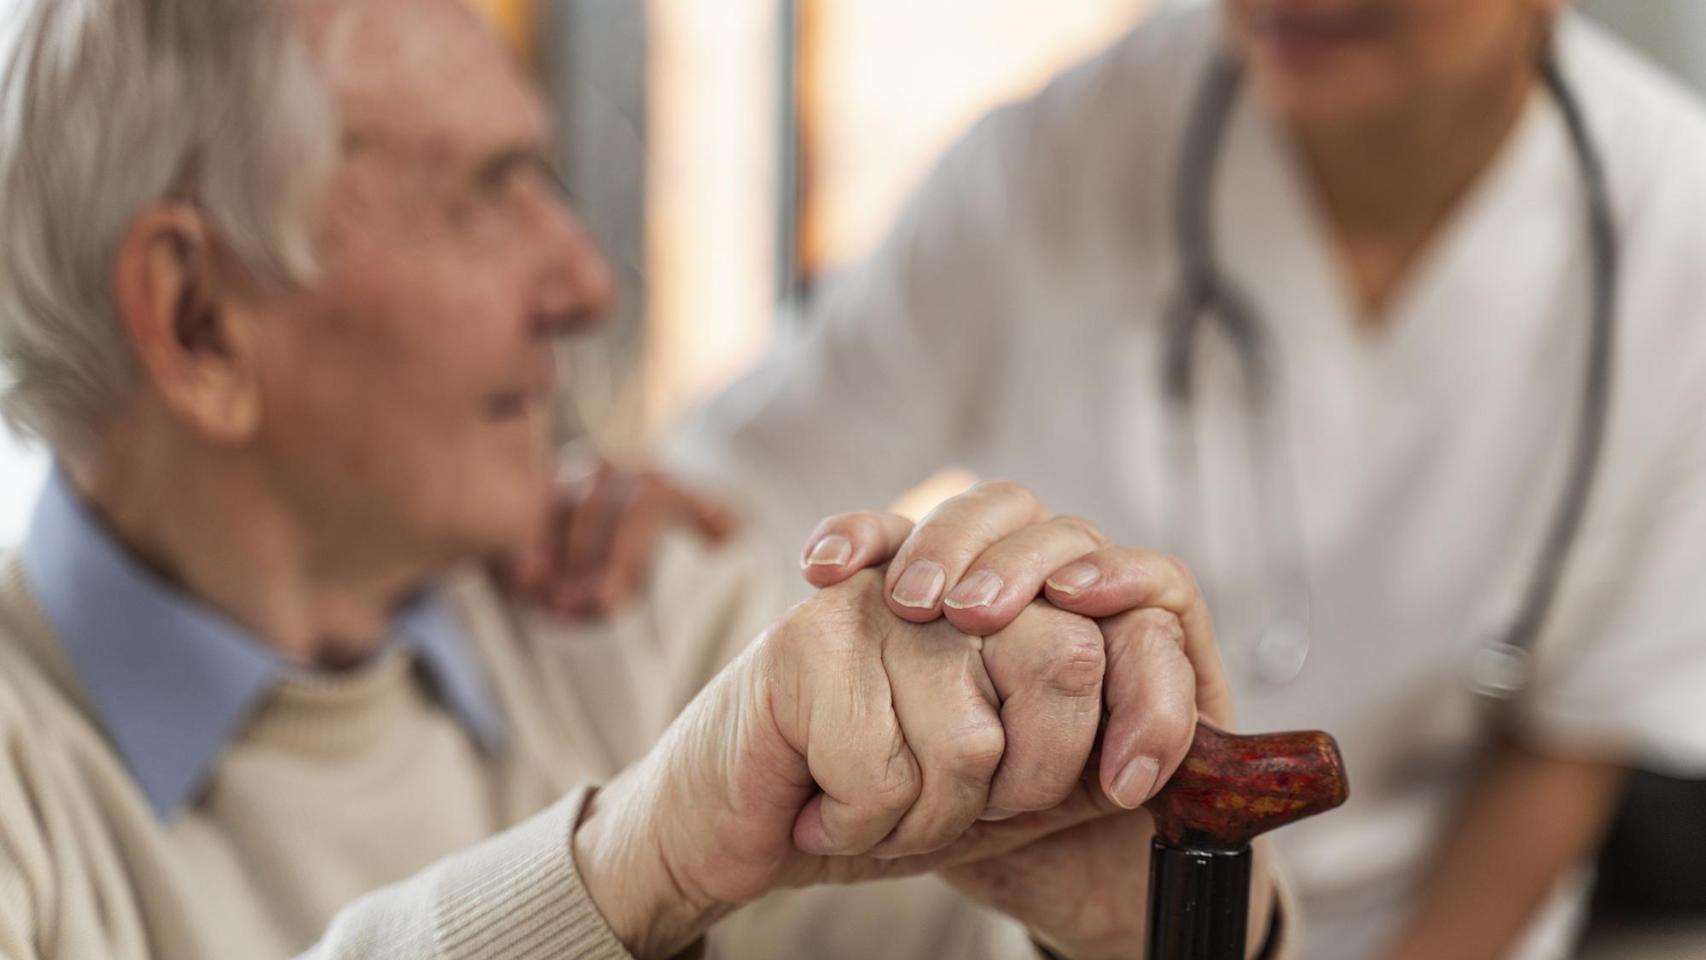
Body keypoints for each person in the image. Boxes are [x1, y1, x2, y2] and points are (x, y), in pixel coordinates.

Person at [0, 1, 1278, 958]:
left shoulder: (661, 634)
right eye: (481, 198)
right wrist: (621, 871)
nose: (585, 283)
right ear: (198, 317)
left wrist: (1159, 915)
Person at [546, 0, 1706, 957]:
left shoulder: (1670, 226)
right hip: (1077, 917)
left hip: (1444, 925)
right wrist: (635, 507)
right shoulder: (1061, 158)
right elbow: (749, 476)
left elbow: (1569, 740)